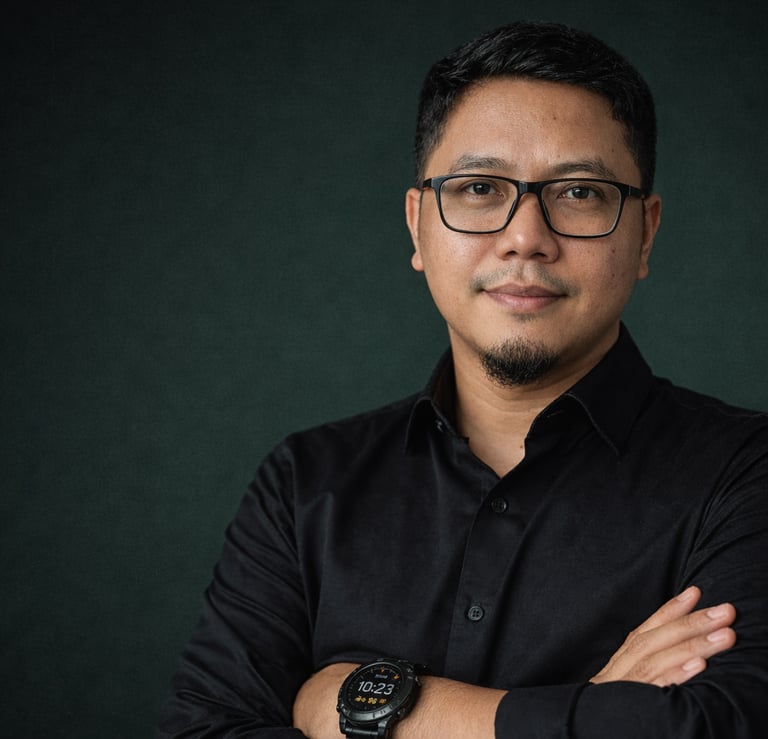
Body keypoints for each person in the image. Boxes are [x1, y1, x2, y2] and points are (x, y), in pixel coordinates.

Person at [157, 20, 768, 738]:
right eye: (479, 187)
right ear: (418, 226)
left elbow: (722, 726)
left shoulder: (746, 476)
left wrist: (359, 708)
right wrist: (593, 709)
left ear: (645, 235)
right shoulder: (303, 485)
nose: (525, 236)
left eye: (579, 193)